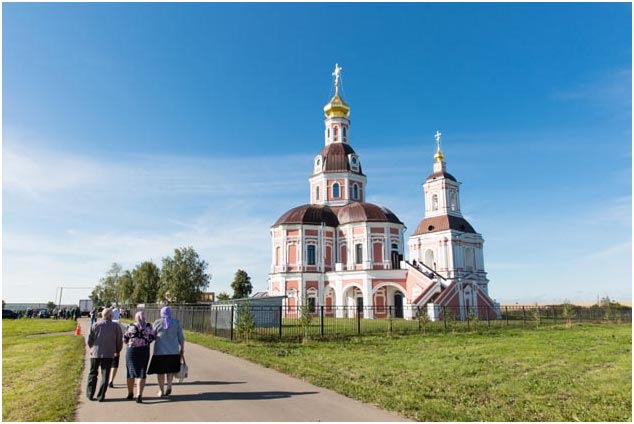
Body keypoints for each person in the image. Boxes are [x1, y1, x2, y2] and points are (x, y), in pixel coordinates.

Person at [86, 308, 123, 402]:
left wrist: (92, 347)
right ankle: (101, 396)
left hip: (95, 353)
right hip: (108, 353)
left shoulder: (95, 324)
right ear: (110, 316)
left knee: (93, 373)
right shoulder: (116, 326)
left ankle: (90, 394)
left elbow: (89, 339)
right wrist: (117, 350)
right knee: (105, 375)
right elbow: (119, 340)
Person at [148, 306, 184, 397]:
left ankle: (161, 390)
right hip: (173, 352)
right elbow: (181, 338)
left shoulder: (157, 322)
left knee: (160, 373)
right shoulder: (176, 322)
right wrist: (182, 349)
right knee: (170, 371)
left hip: (160, 352)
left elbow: (152, 336)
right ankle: (169, 385)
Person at [123, 311, 156, 403]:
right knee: (142, 372)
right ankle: (139, 394)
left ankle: (130, 393)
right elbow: (152, 337)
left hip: (131, 351)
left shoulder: (130, 326)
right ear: (144, 317)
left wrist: (132, 343)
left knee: (130, 372)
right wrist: (145, 341)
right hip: (144, 350)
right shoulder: (148, 326)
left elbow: (125, 339)